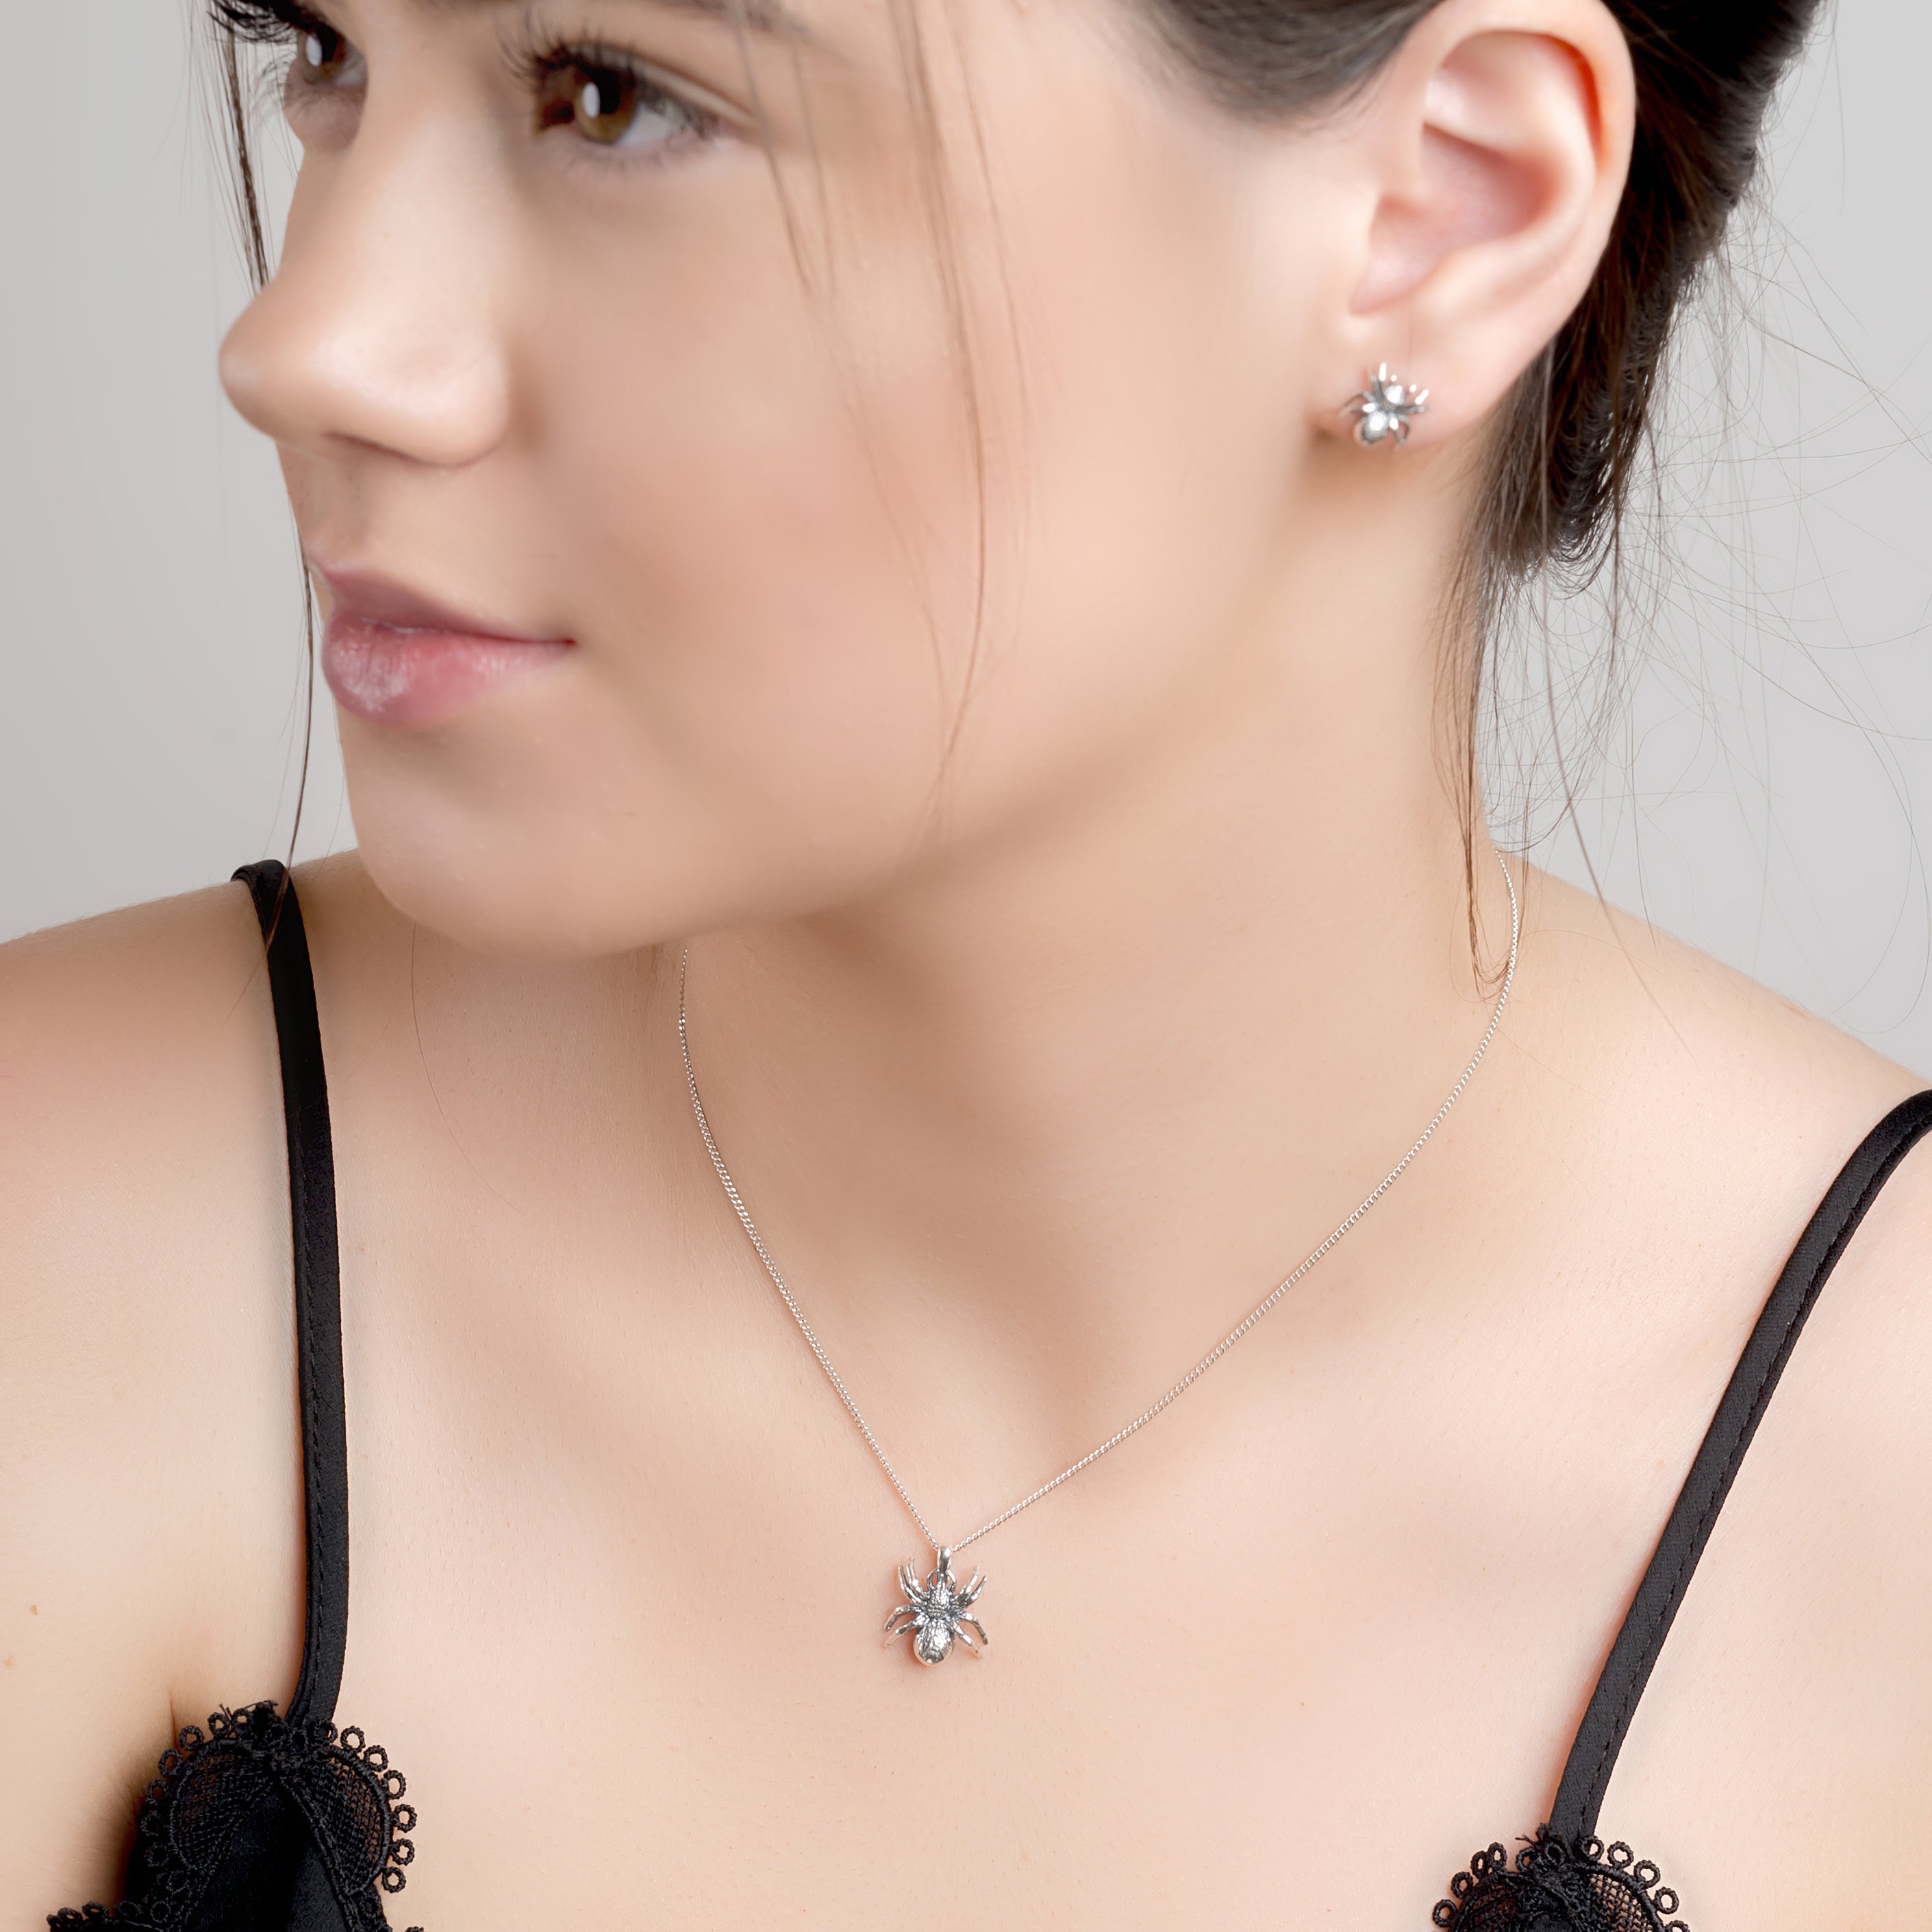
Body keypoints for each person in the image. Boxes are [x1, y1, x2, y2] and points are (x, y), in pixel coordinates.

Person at [5, 0, 1929, 1922]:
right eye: (322, 53)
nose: (304, 344)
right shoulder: (65, 1239)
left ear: (1444, 212)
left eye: (614, 99)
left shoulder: (1884, 1507)